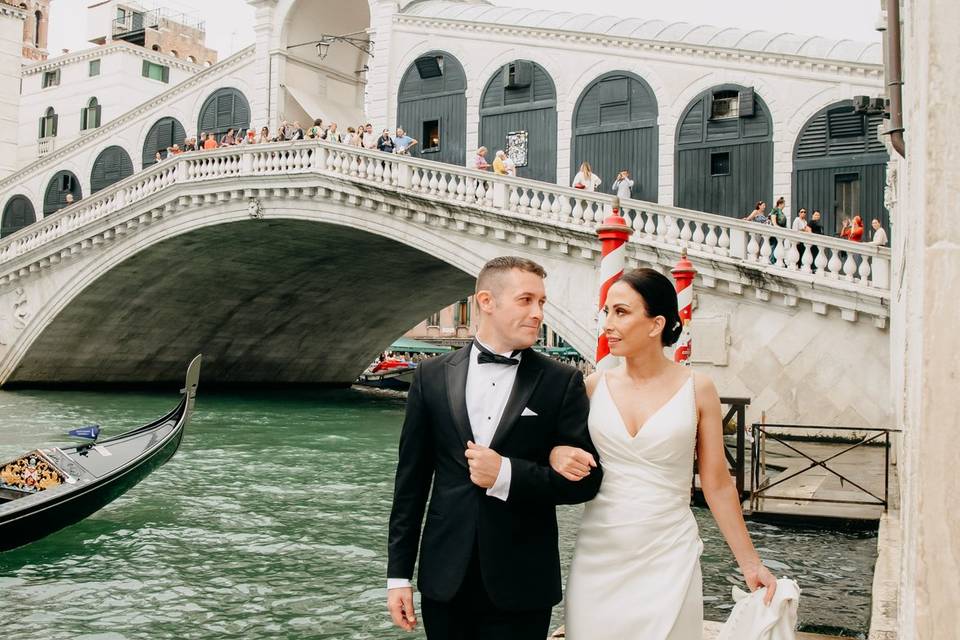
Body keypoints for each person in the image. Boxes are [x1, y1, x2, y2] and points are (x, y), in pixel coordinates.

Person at [552, 268, 777, 639]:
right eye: (606, 311)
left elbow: (718, 484)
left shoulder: (699, 389)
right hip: (598, 554)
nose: (607, 323)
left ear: (656, 324)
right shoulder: (592, 387)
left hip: (669, 554)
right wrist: (556, 452)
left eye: (621, 312)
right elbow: (554, 449)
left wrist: (751, 564)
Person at [387, 256, 603, 640]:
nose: (538, 313)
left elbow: (586, 482)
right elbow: (411, 485)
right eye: (526, 300)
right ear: (486, 301)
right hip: (444, 577)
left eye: (541, 303)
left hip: (522, 581)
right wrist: (398, 576)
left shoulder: (562, 382)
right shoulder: (430, 377)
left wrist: (507, 473)